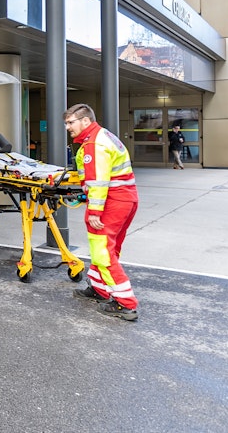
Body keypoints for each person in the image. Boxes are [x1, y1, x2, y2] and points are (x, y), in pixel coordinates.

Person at [64, 103, 139, 321]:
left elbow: (98, 181)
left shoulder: (93, 144)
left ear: (85, 121)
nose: (68, 127)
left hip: (110, 203)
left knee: (103, 253)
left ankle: (125, 304)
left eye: (71, 122)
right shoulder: (102, 135)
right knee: (107, 249)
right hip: (125, 199)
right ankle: (99, 289)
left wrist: (95, 211)